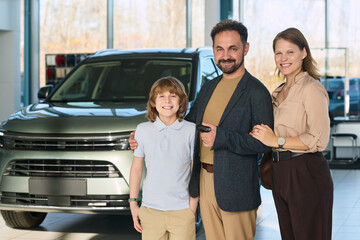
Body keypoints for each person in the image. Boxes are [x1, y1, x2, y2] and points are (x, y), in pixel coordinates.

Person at [130, 19, 274, 240]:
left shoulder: (256, 91)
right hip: (204, 183)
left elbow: (264, 143)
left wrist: (222, 137)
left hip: (236, 186)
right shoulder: (209, 87)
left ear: (245, 48)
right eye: (219, 49)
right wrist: (144, 134)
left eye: (233, 48)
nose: (225, 55)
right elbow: (184, 124)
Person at [250, 28, 333, 240]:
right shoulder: (277, 92)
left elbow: (319, 140)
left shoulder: (311, 89)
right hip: (280, 172)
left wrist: (275, 140)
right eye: (278, 53)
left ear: (303, 53)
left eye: (290, 52)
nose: (283, 58)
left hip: (306, 171)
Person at [129, 76, 198, 240]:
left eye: (173, 95)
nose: (167, 100)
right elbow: (137, 168)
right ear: (153, 101)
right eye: (161, 96)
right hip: (151, 210)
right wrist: (133, 203)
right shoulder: (143, 130)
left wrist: (192, 207)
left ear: (181, 101)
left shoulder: (191, 130)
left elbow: (194, 169)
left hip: (182, 210)